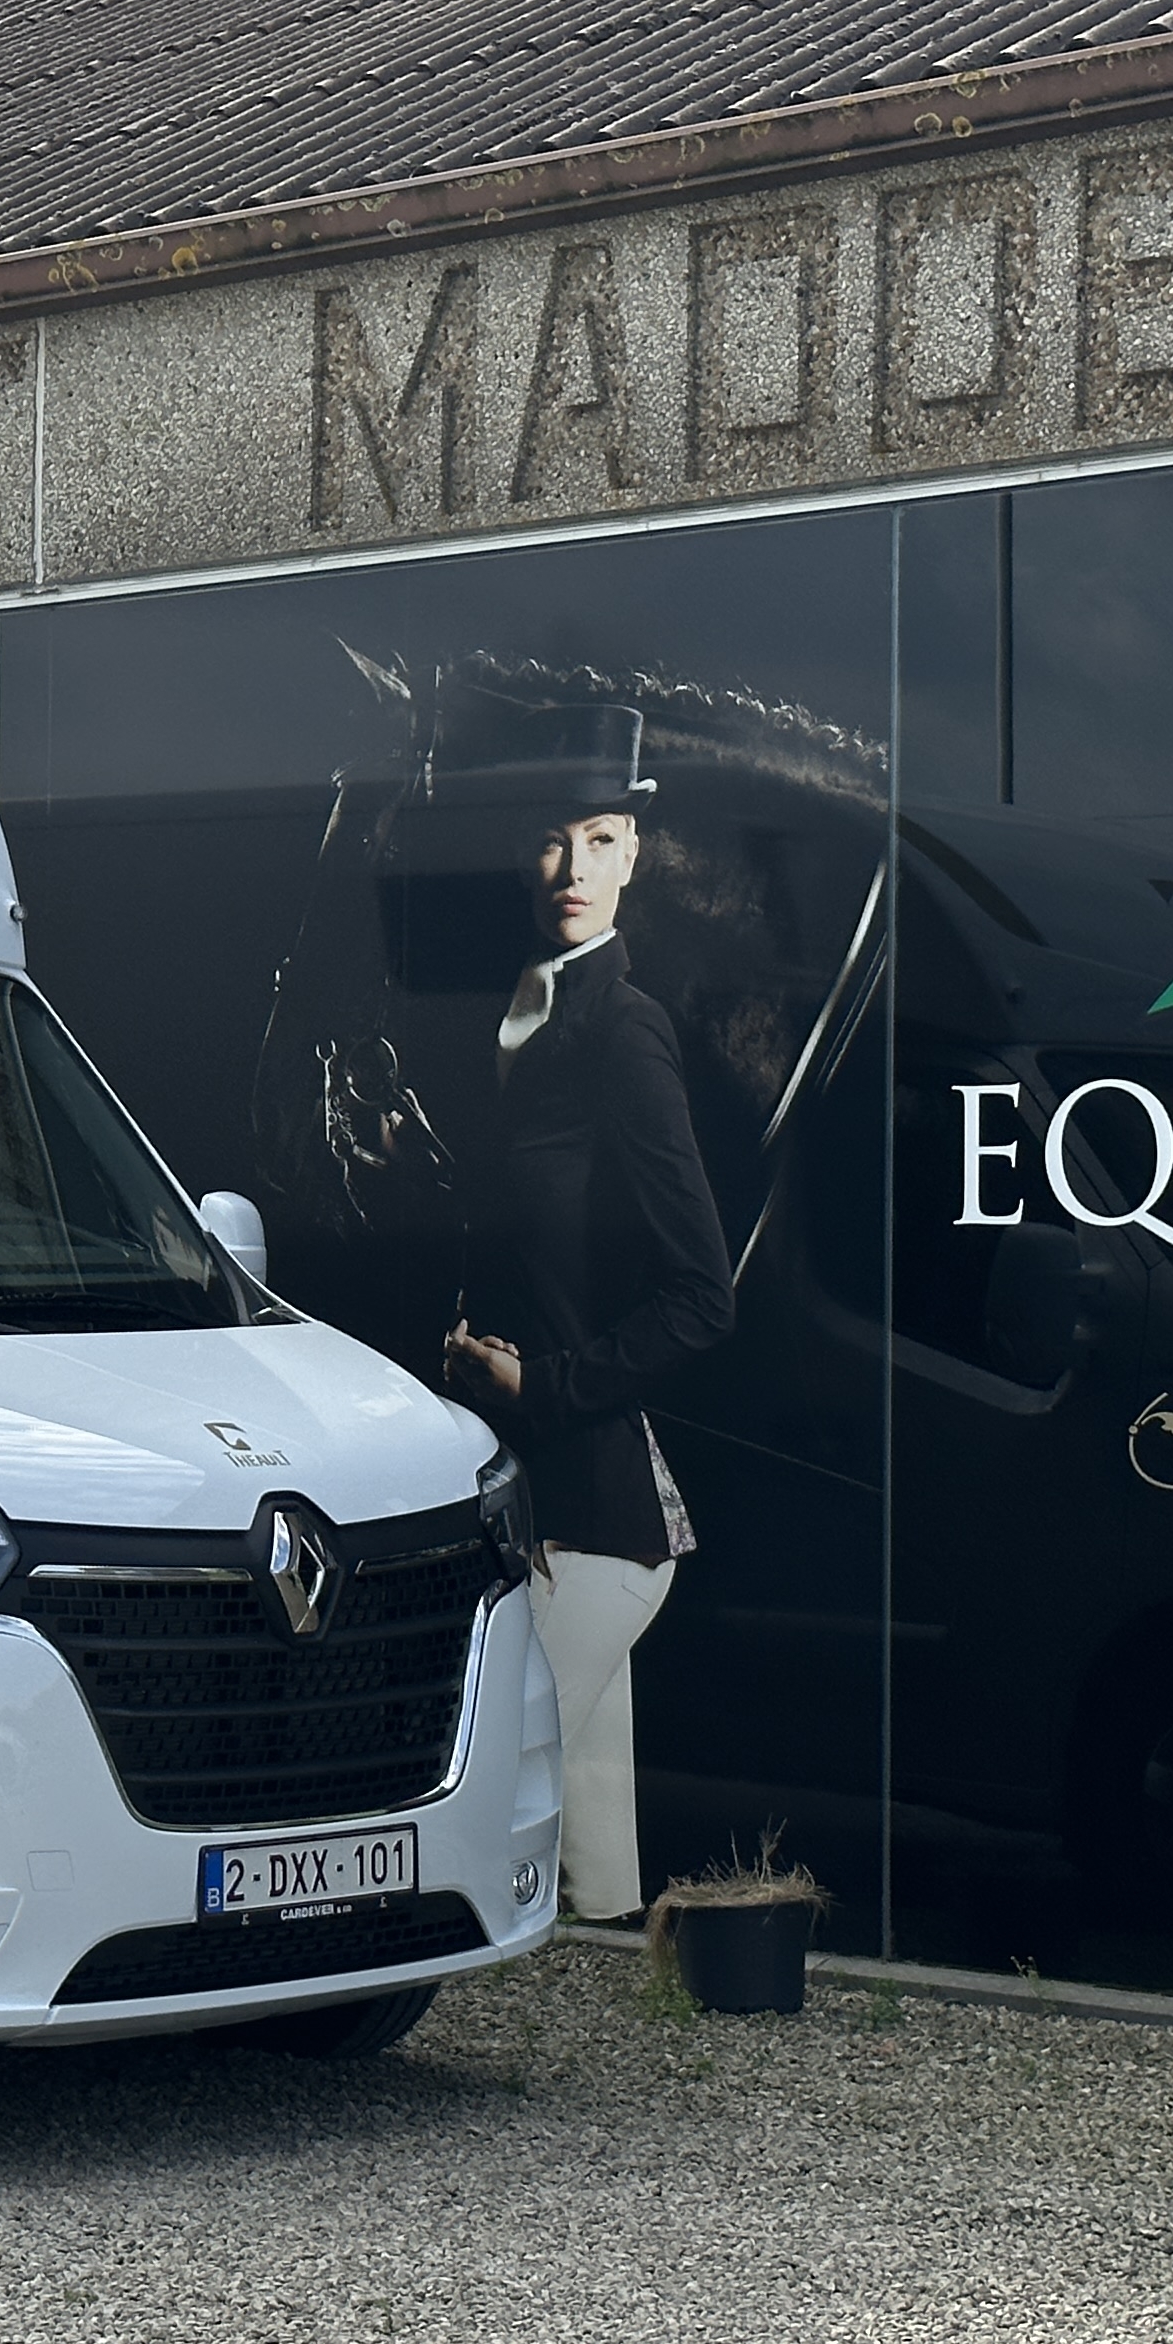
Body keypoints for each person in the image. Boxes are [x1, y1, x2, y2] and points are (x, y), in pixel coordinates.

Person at [430, 703, 735, 1922]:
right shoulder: (514, 1020)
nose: (575, 866)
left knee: (480, 1785)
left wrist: (544, 1384)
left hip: (597, 1527)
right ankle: (626, 2011)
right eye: (556, 839)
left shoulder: (624, 1029)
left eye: (601, 838)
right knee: (595, 1878)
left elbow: (704, 1299)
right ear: (526, 850)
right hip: (542, 1503)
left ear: (634, 854)